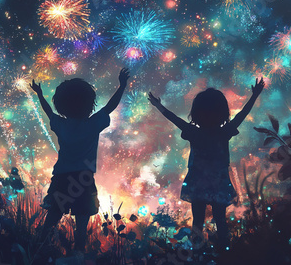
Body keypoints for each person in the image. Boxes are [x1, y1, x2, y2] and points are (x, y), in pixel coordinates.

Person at [148, 78, 265, 250]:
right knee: (220, 220)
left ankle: (197, 252)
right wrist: (254, 96)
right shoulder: (223, 132)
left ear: (197, 113)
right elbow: (242, 115)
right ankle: (224, 251)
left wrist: (159, 106)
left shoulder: (194, 132)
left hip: (199, 182)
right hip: (218, 182)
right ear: (222, 113)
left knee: (198, 220)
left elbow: (174, 118)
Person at [30, 68, 130, 257]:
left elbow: (48, 112)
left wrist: (40, 94)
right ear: (89, 104)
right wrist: (122, 86)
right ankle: (78, 256)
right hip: (83, 179)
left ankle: (36, 251)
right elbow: (110, 107)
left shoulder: (61, 124)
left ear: (61, 105)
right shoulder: (92, 124)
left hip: (61, 178)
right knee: (81, 225)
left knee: (52, 218)